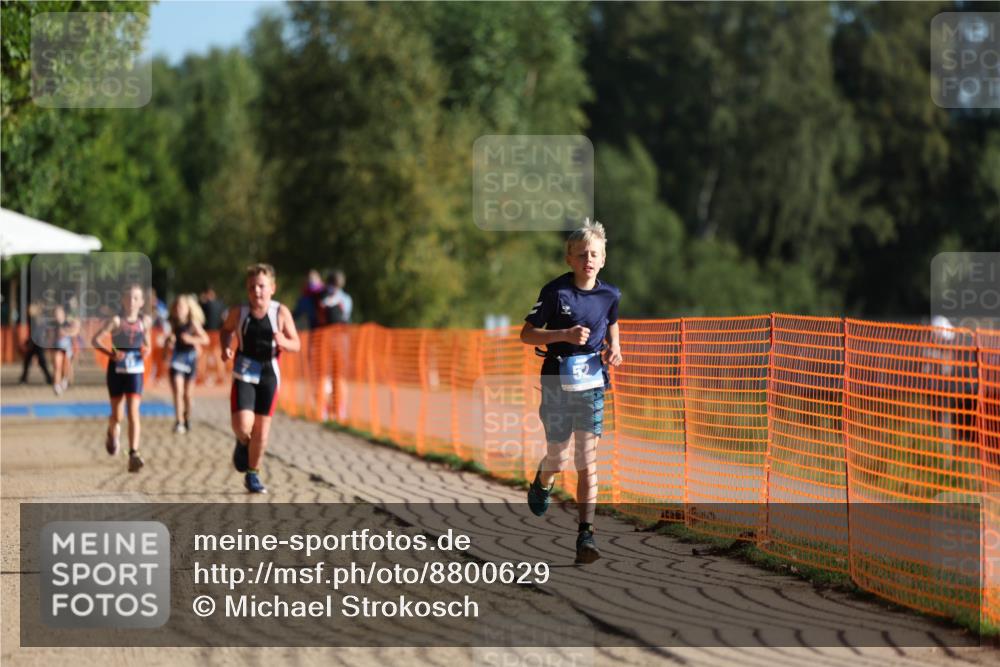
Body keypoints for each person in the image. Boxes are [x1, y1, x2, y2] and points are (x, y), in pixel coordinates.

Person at [519, 218, 622, 565]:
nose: (587, 260)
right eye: (581, 254)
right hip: (556, 381)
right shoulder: (556, 293)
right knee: (560, 457)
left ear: (603, 259)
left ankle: (586, 535)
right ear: (569, 258)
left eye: (594, 254)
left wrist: (614, 348)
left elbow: (611, 321)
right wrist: (561, 336)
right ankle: (542, 480)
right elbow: (527, 334)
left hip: (592, 383)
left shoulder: (611, 295)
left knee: (587, 461)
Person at [220, 264, 300, 493]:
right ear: (247, 289)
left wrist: (284, 342)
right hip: (244, 369)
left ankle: (253, 474)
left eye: (262, 286)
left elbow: (296, 343)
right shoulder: (239, 312)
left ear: (272, 288)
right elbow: (225, 330)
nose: (257, 291)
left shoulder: (280, 313)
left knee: (262, 431)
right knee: (243, 426)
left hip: (268, 373)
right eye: (252, 287)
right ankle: (242, 442)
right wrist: (226, 347)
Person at [91, 284, 152, 473]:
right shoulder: (116, 321)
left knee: (134, 412)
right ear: (122, 301)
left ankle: (133, 453)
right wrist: (110, 354)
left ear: (142, 302)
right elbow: (95, 340)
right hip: (116, 371)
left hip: (135, 371)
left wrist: (145, 351)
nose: (132, 302)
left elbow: (148, 344)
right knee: (118, 415)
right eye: (128, 298)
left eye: (136, 298)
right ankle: (111, 432)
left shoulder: (145, 321)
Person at [167, 294, 210, 434]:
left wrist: (191, 339)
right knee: (178, 392)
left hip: (190, 360)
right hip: (176, 360)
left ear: (188, 309)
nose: (179, 309)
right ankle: (178, 421)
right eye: (177, 307)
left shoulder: (192, 324)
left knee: (188, 395)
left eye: (182, 307)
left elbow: (205, 339)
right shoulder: (173, 323)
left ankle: (187, 418)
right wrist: (170, 340)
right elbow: (171, 338)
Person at [18, 302, 53, 385]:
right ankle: (24, 378)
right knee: (28, 361)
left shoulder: (38, 318)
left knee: (41, 362)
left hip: (38, 343)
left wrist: (31, 342)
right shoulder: (35, 318)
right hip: (36, 342)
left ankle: (49, 379)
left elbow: (37, 332)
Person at [49, 304, 80, 395]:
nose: (57, 315)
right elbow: (50, 337)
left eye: (59, 313)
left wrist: (66, 333)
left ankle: (64, 380)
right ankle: (56, 385)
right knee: (57, 366)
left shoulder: (68, 323)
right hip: (57, 348)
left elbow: (75, 332)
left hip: (67, 348)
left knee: (65, 367)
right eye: (55, 313)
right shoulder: (53, 324)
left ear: (63, 314)